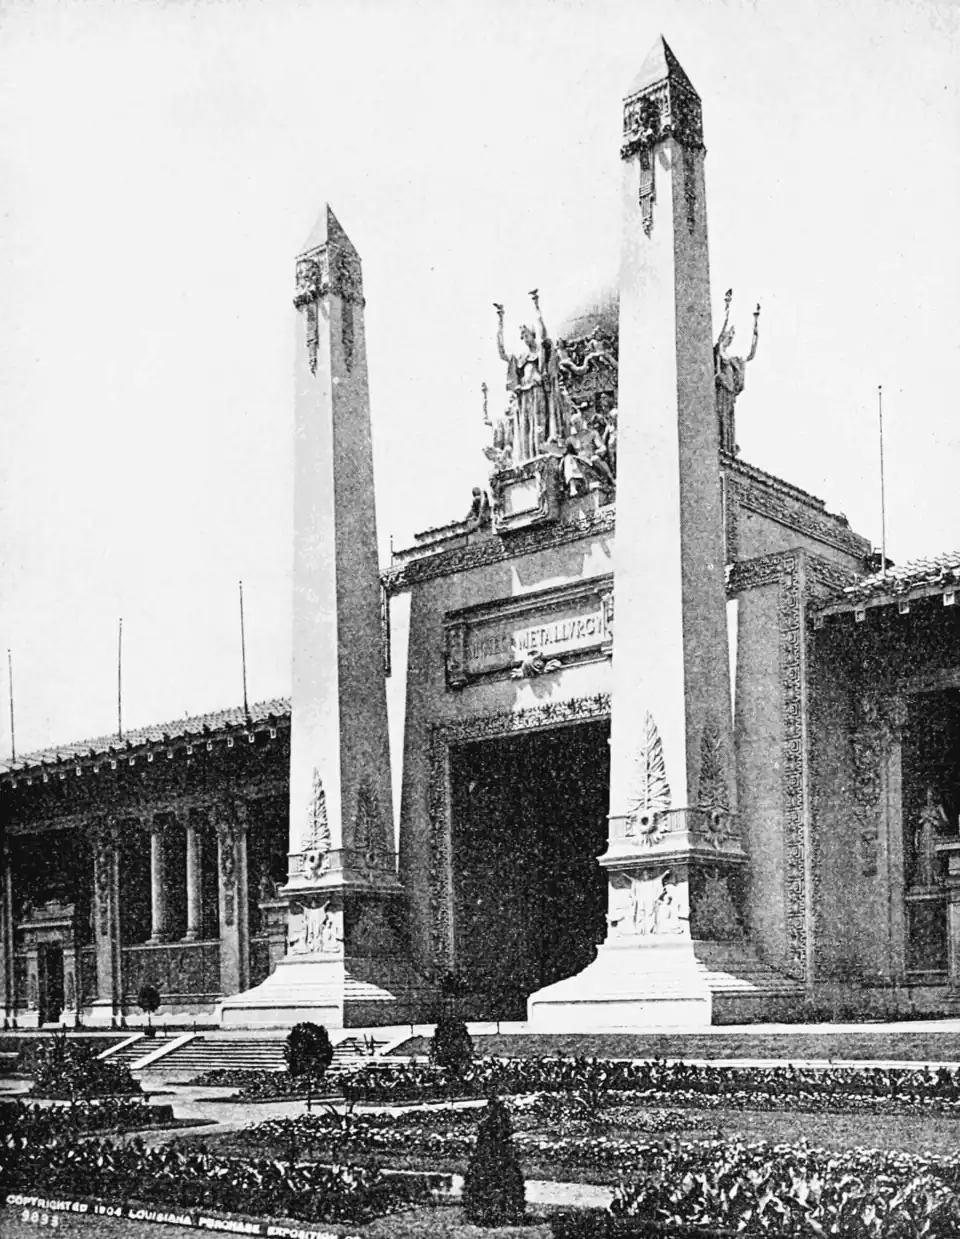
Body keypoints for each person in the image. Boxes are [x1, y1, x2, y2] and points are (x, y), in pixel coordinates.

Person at [495, 291, 562, 461]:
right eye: (522, 336)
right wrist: (500, 320)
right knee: (525, 429)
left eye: (526, 335)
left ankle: (541, 454)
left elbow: (543, 332)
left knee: (539, 424)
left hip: (538, 390)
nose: (524, 338)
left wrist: (536, 305)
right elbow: (501, 352)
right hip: (524, 394)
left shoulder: (540, 351)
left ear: (532, 334)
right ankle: (528, 458)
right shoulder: (521, 357)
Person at [714, 290, 759, 454]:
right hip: (721, 390)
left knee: (728, 420)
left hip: (729, 393)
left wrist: (755, 328)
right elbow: (721, 332)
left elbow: (751, 354)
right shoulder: (719, 351)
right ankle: (721, 445)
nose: (731, 336)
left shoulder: (734, 360)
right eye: (730, 334)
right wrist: (727, 308)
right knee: (721, 418)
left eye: (733, 335)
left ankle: (727, 446)